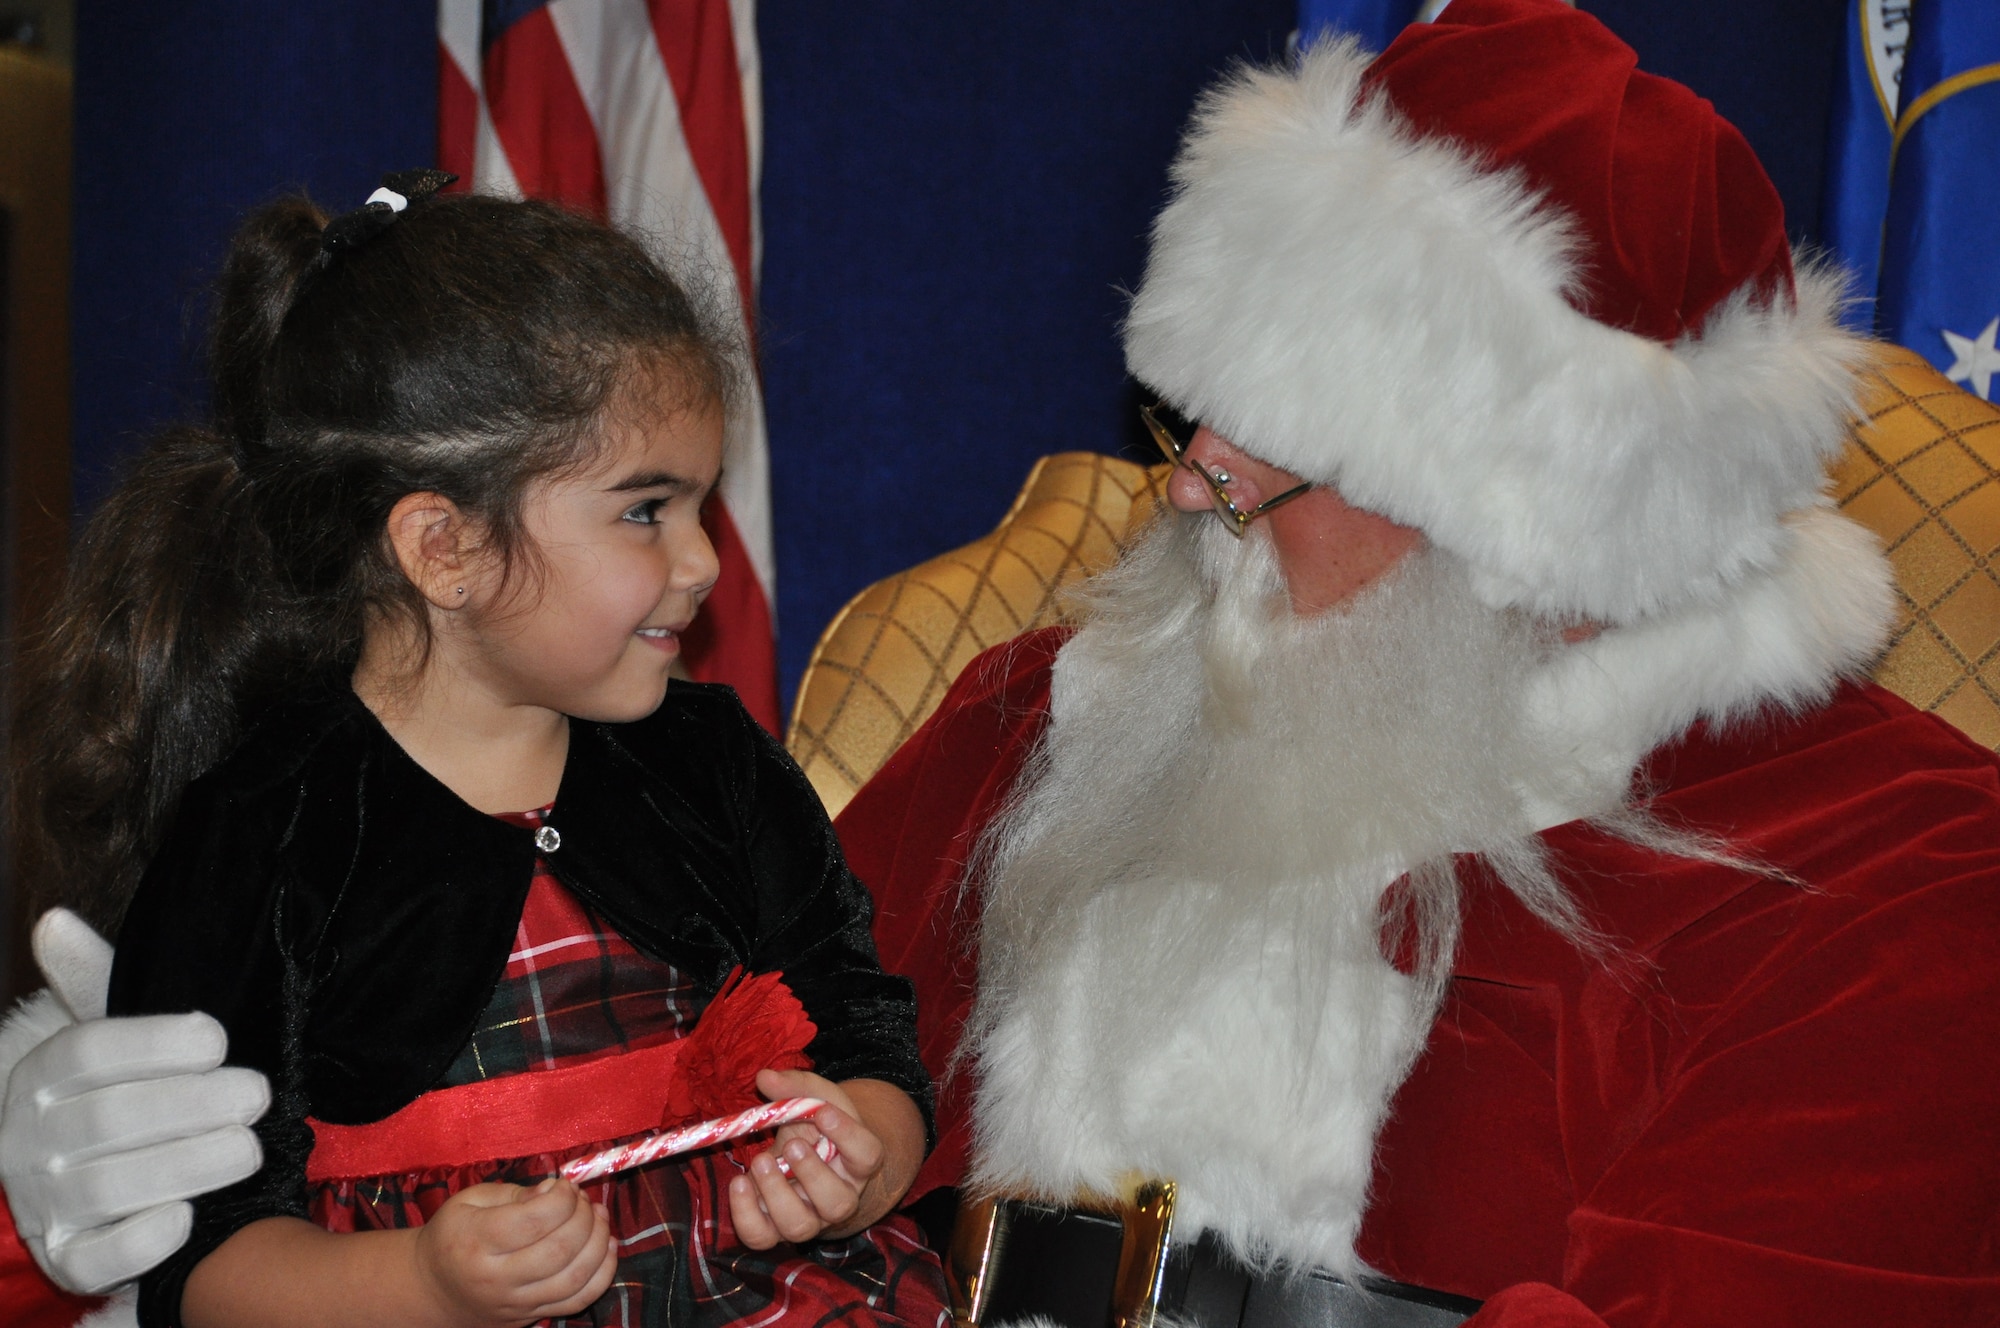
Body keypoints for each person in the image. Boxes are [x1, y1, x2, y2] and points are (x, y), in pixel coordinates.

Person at [7, 3, 2000, 1326]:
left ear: (1543, 524)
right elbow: (601, 1053)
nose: (1191, 495)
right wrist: (151, 1171)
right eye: (1185, 415)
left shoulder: (1898, 872)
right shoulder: (1048, 716)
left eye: (1279, 449)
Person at [0, 177, 949, 1328]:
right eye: (646, 509)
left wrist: (862, 1158)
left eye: (699, 506)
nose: (701, 561)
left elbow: (872, 1041)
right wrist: (425, 1280)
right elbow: (205, 1269)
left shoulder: (713, 760)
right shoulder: (257, 830)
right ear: (442, 548)